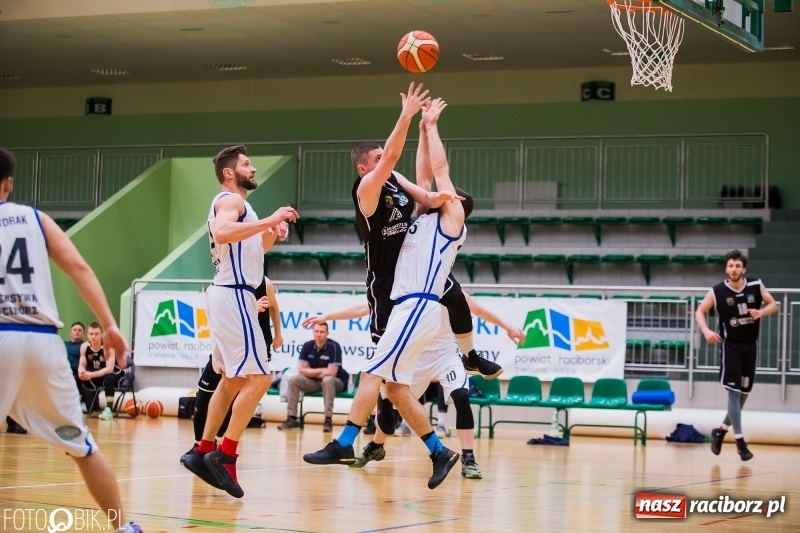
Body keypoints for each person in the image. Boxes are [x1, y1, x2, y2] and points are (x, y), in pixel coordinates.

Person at [304, 97, 472, 490]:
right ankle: (437, 450)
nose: (385, 160)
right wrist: (420, 126)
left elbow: (430, 192)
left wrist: (421, 126)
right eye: (377, 157)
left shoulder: (439, 220)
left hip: (413, 299)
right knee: (393, 386)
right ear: (365, 167)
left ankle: (347, 442)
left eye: (384, 156)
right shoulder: (368, 187)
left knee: (376, 374)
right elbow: (423, 180)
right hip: (387, 287)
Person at [0, 147, 142, 532]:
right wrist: (109, 324)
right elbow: (79, 268)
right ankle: (123, 527)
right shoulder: (34, 219)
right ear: (8, 183)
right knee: (82, 447)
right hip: (41, 341)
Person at [303, 291, 524, 478]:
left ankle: (469, 459)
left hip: (446, 356)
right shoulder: (408, 291)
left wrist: (508, 327)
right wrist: (328, 316)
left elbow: (479, 310)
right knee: (395, 405)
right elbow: (365, 307)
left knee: (461, 396)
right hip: (417, 357)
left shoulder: (451, 289)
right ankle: (376, 446)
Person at [181, 144, 297, 499]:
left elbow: (251, 249)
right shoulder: (231, 201)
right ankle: (225, 455)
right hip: (234, 294)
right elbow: (222, 233)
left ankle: (202, 450)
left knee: (232, 380)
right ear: (229, 173)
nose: (254, 169)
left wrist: (268, 233)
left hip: (229, 292)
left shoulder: (240, 206)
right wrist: (269, 218)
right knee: (261, 379)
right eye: (247, 164)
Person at [180, 276, 282, 465]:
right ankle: (202, 445)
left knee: (241, 392)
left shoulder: (264, 283)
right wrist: (251, 308)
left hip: (252, 346)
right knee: (204, 396)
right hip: (226, 345)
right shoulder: (217, 287)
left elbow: (274, 308)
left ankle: (222, 447)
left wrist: (278, 334)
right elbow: (218, 317)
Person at [695, 249, 777, 462]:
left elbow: (774, 305)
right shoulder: (717, 291)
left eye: (738, 266)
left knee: (743, 394)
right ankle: (740, 442)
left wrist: (761, 312)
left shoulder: (755, 285)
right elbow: (699, 311)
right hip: (730, 346)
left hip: (751, 346)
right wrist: (706, 331)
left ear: (744, 269)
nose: (734, 269)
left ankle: (721, 430)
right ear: (726, 268)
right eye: (731, 266)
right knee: (733, 392)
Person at [278, 322, 347, 433]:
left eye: (322, 332)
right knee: (293, 380)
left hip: (335, 382)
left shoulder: (334, 346)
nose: (319, 334)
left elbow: (332, 373)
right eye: (316, 331)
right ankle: (292, 418)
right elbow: (301, 371)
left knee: (327, 380)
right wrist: (322, 371)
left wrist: (310, 371)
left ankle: (328, 420)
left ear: (327, 333)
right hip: (314, 382)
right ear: (313, 332)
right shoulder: (307, 346)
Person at [78, 322, 124, 420]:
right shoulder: (84, 347)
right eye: (91, 334)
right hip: (96, 374)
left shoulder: (109, 347)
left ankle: (109, 410)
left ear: (102, 335)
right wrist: (81, 371)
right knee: (76, 377)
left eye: (96, 334)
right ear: (87, 335)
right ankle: (75, 407)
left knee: (108, 377)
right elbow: (82, 364)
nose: (93, 336)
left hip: (114, 373)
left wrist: (91, 374)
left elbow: (109, 369)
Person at [65, 321, 86, 396]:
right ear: (70, 333)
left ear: (83, 335)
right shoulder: (64, 344)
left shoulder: (85, 346)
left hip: (75, 372)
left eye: (80, 330)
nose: (77, 331)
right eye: (75, 329)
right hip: (61, 371)